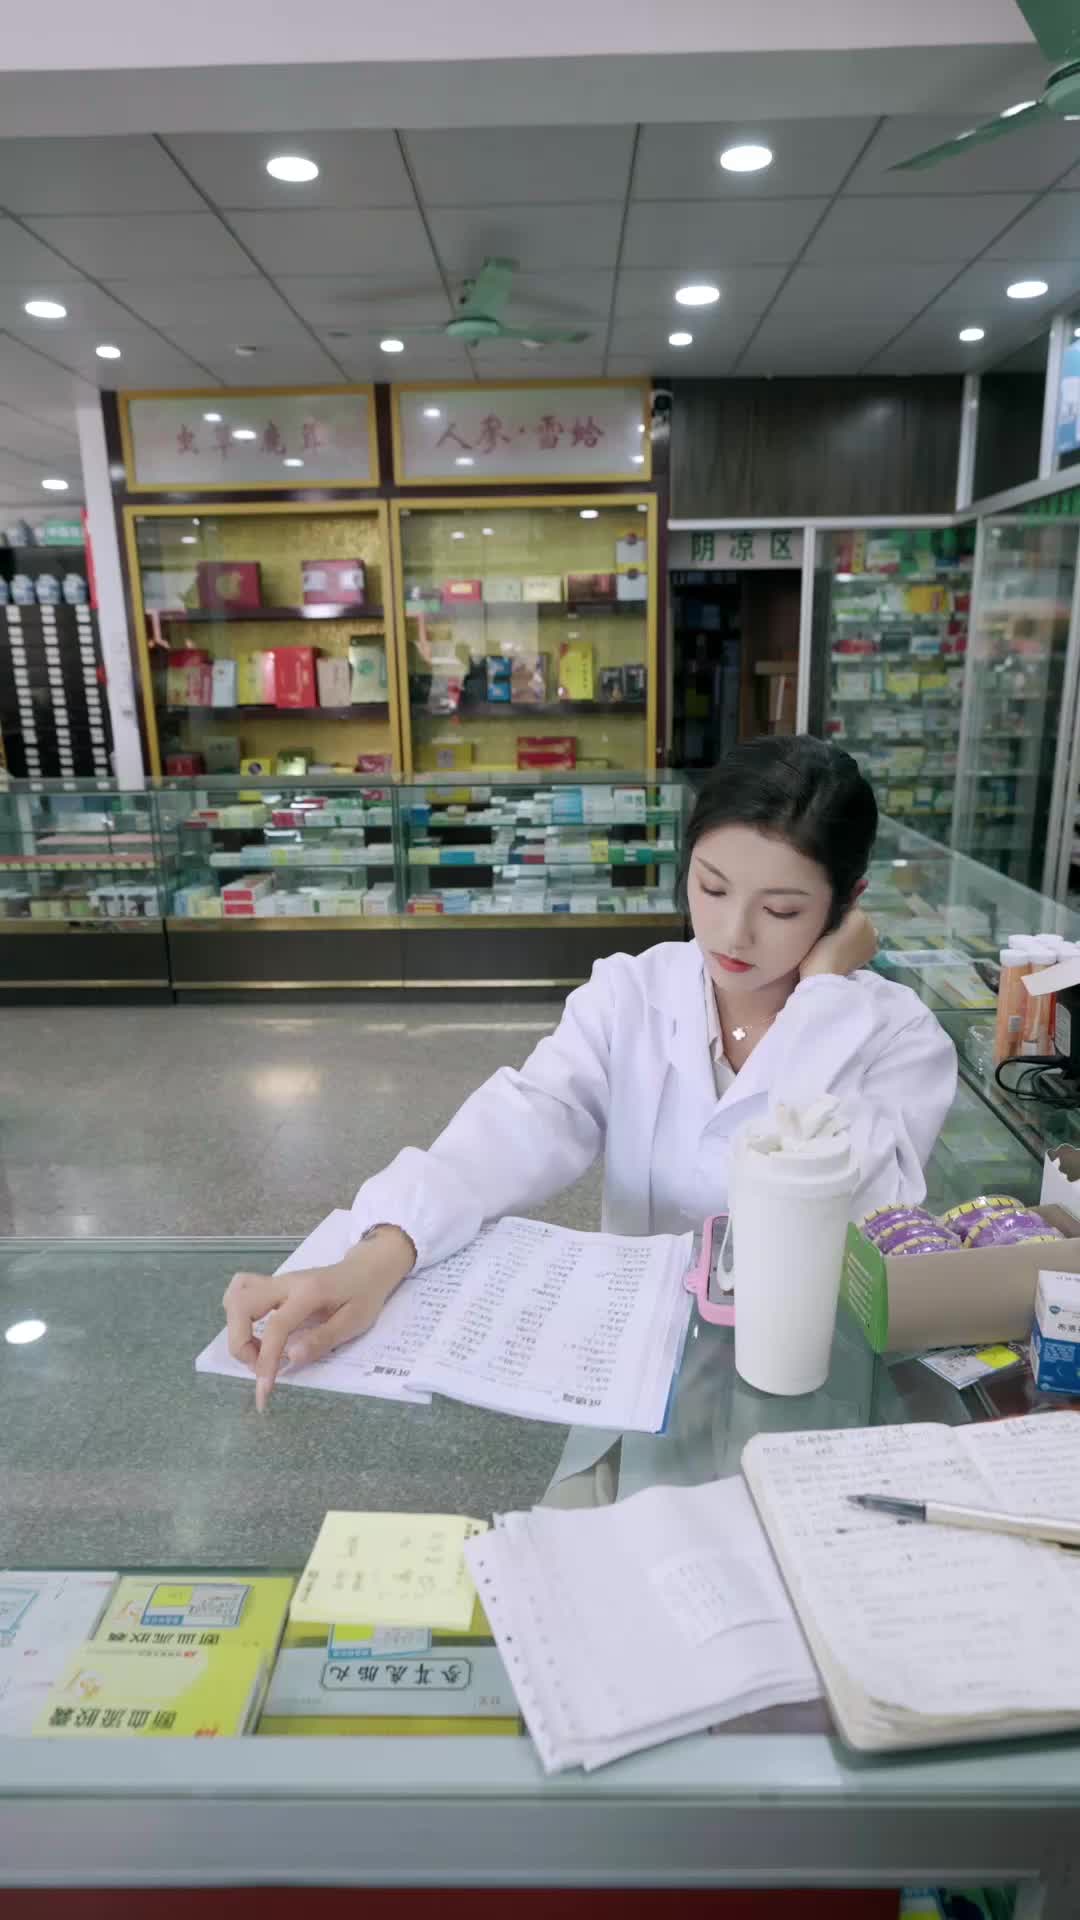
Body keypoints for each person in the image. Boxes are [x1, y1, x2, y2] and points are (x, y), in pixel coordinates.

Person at [225, 735, 957, 1413]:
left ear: (846, 906)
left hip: (805, 1376)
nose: (733, 933)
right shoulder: (632, 993)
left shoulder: (897, 1039)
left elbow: (860, 1220)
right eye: (711, 888)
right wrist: (382, 1252)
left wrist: (821, 1000)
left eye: (782, 909)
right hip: (628, 1368)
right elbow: (523, 1121)